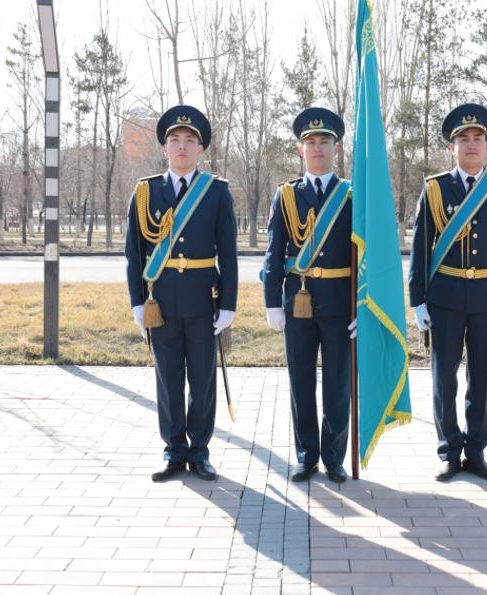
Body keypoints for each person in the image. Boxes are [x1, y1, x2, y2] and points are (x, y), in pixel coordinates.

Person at [407, 103, 487, 482]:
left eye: (478, 138)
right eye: (463, 139)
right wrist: (417, 300)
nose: (471, 145)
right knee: (443, 378)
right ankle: (449, 451)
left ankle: (476, 451)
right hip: (445, 297)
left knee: (482, 377)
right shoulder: (435, 189)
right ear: (451, 147)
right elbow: (421, 247)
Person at [124, 105, 238, 482]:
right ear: (165, 148)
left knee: (203, 379)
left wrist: (229, 305)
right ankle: (174, 450)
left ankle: (200, 451)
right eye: (175, 140)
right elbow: (134, 253)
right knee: (168, 378)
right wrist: (137, 301)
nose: (182, 146)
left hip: (204, 300)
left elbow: (229, 252)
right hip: (162, 301)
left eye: (190, 141)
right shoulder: (145, 192)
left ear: (201, 149)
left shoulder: (217, 192)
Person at [261, 107, 354, 484]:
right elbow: (273, 251)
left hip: (338, 301)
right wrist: (271, 301)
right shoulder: (286, 196)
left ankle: (334, 458)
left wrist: (362, 304)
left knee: (337, 382)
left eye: (324, 142)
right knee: (301, 381)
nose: (317, 148)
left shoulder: (351, 195)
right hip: (296, 302)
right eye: (310, 142)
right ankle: (306, 455)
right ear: (301, 150)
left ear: (335, 148)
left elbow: (364, 255)